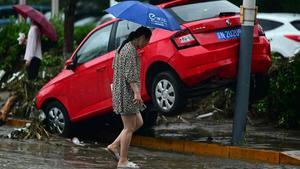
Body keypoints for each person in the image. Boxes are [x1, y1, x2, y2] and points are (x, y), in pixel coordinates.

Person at [106, 26, 152, 169]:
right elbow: (130, 75)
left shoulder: (122, 46)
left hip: (121, 91)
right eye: (147, 41)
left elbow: (115, 66)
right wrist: (137, 93)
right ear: (142, 37)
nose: (147, 44)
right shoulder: (130, 50)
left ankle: (114, 146)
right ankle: (123, 161)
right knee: (128, 128)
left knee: (138, 122)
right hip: (126, 93)